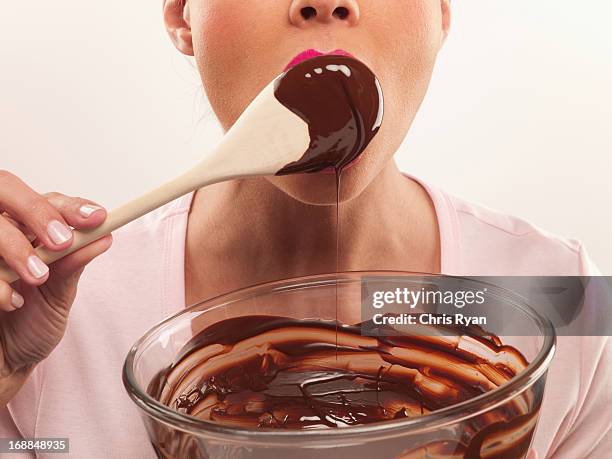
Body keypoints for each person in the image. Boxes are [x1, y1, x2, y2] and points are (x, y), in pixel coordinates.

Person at [0, 1, 609, 457]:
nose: (323, 0)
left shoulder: (570, 299)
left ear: (441, 13)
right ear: (184, 17)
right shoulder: (46, 315)